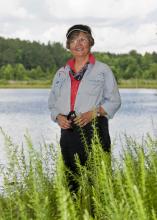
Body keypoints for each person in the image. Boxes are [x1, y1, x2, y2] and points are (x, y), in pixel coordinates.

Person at [48, 24, 121, 188]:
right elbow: (52, 103)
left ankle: (99, 214)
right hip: (68, 131)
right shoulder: (61, 73)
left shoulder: (103, 70)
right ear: (68, 46)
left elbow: (114, 100)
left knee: (99, 181)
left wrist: (94, 113)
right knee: (72, 182)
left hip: (94, 129)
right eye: (73, 40)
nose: (78, 44)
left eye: (83, 39)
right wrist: (58, 117)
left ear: (90, 42)